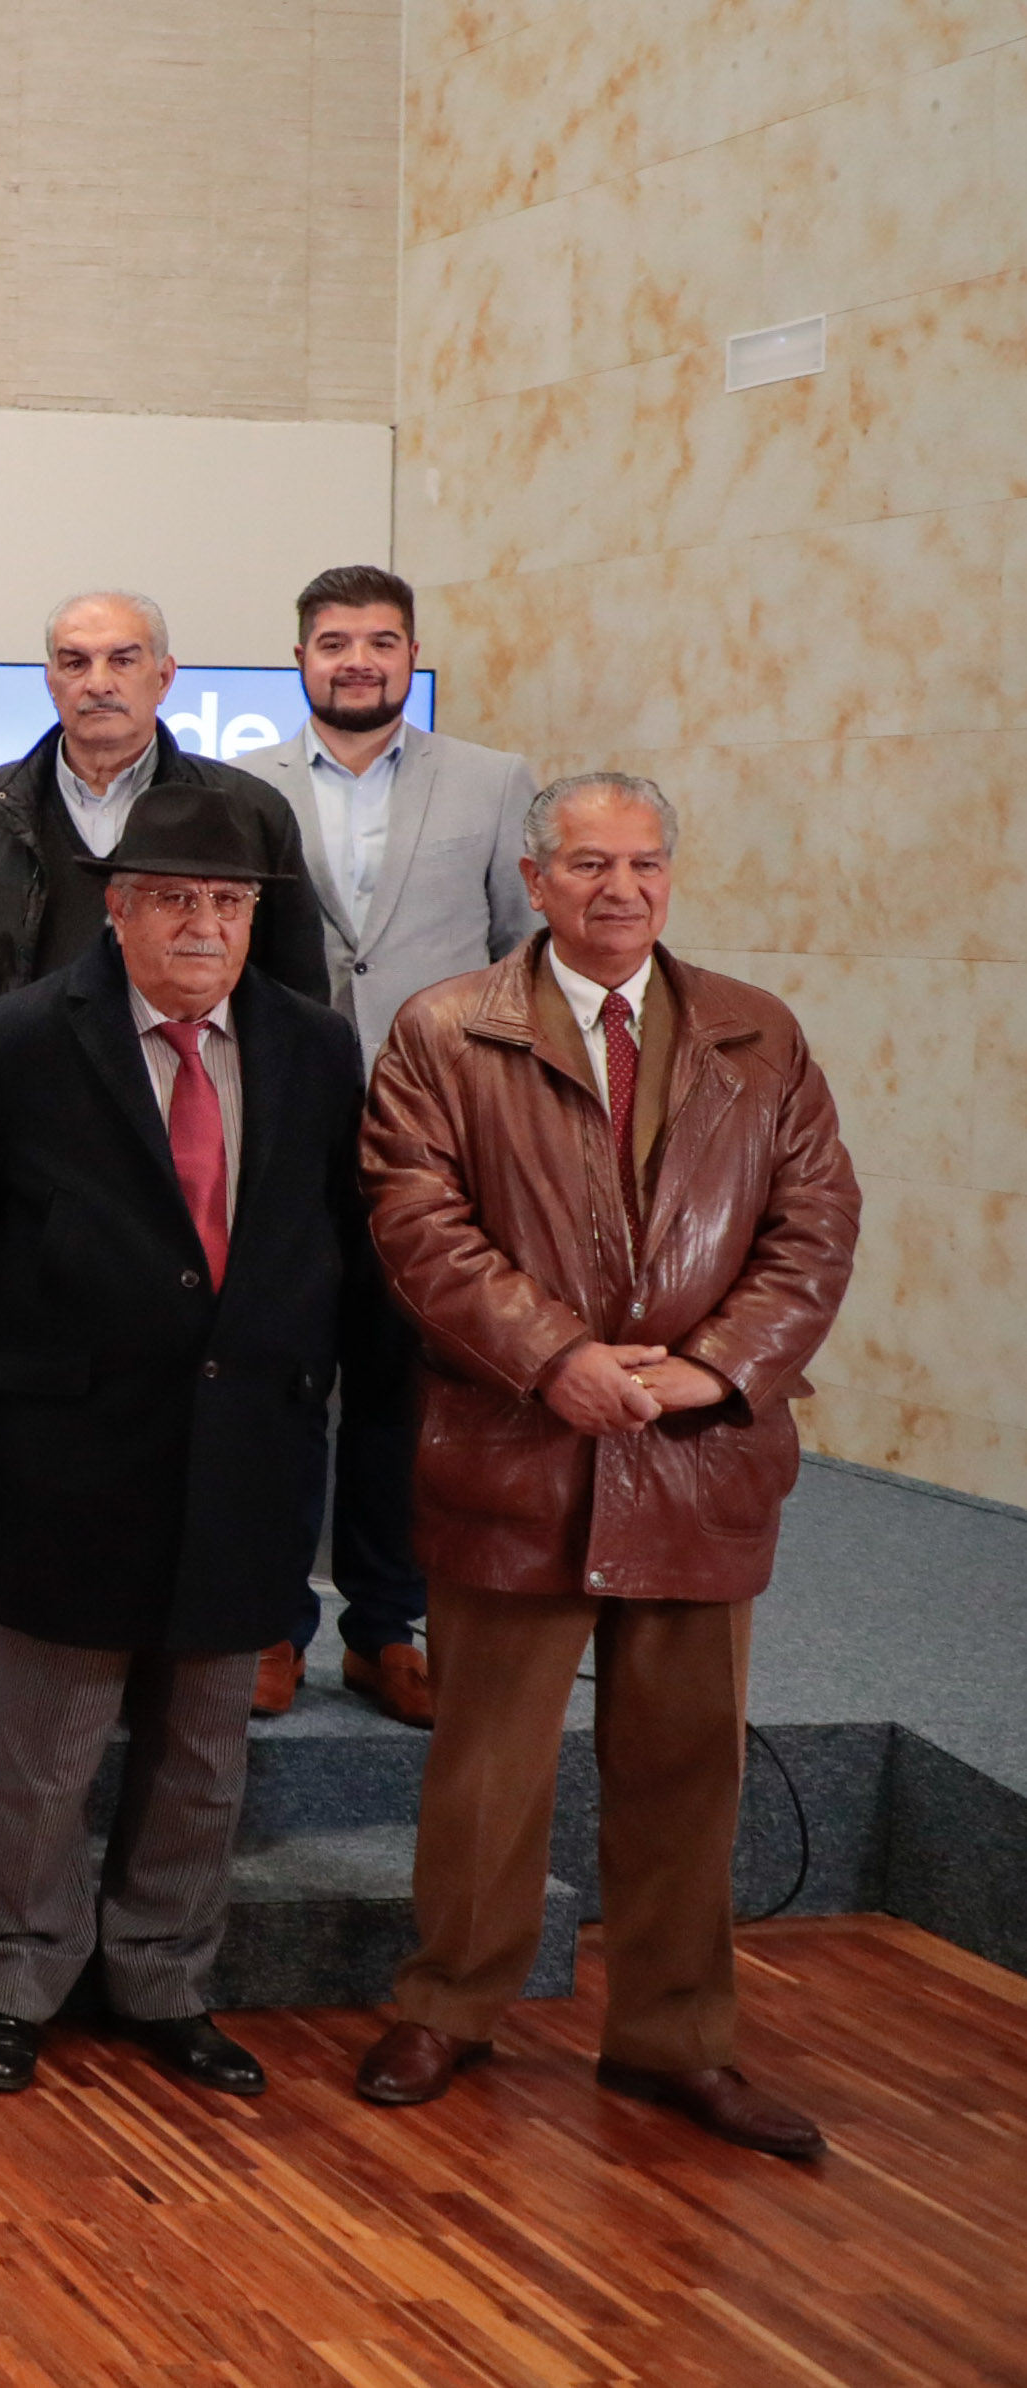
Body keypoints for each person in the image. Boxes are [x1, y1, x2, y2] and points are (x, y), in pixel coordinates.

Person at [352, 775, 858, 2160]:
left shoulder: (759, 1035)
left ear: (669, 880)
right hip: (518, 1445)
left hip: (697, 1457)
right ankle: (448, 2008)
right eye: (587, 864)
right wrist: (552, 1358)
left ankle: (673, 2042)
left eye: (641, 865)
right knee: (485, 1768)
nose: (617, 888)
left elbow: (814, 1224)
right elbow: (416, 1225)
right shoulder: (442, 1031)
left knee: (687, 1771)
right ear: (534, 877)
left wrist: (711, 1368)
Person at [0, 783, 394, 2101]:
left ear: (253, 921)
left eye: (224, 903)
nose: (198, 924)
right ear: (114, 911)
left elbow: (332, 1249)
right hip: (64, 1451)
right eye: (170, 898)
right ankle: (13, 1981)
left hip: (244, 1447)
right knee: (42, 1750)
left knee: (200, 1747)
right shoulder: (15, 1040)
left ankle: (163, 1982)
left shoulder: (311, 1049)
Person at [0, 589, 325, 1747]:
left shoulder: (245, 810)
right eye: (73, 659)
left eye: (121, 657)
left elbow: (289, 1000)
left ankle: (208, 1650)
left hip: (186, 1139)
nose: (97, 678)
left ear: (165, 674)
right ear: (47, 679)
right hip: (26, 1160)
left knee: (197, 1430)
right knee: (22, 1427)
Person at [228, 563, 540, 1726]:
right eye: (333, 642)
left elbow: (522, 956)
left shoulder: (493, 780)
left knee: (400, 1391)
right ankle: (268, 1619)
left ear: (409, 654)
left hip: (436, 1137)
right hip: (281, 1130)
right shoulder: (237, 783)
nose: (357, 660)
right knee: (280, 1381)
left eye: (380, 640)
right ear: (298, 659)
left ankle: (382, 1627)